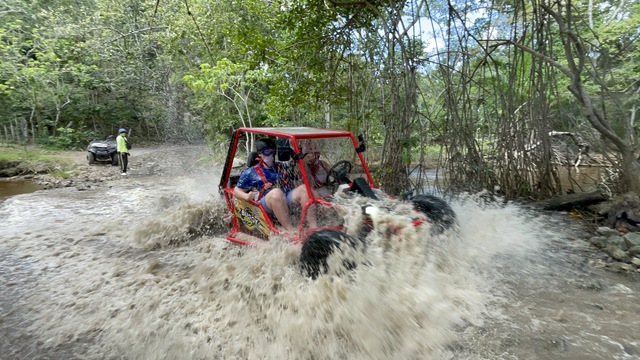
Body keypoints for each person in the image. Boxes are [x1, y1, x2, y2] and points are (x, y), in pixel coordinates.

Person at [233, 138, 314, 233]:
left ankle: (313, 227)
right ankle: (291, 231)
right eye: (267, 152)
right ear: (259, 154)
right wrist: (246, 196)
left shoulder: (282, 167)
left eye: (272, 151)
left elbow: (299, 175)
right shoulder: (250, 172)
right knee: (276, 193)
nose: (270, 155)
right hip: (265, 204)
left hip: (286, 199)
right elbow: (236, 191)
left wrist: (299, 157)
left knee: (304, 189)